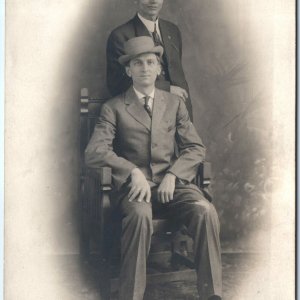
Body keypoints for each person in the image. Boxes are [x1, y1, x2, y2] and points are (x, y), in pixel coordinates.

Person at [86, 36, 222, 300]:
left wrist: (173, 174)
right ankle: (131, 295)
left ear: (159, 68)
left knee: (205, 210)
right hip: (135, 191)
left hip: (174, 186)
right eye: (138, 63)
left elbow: (195, 148)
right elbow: (95, 152)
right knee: (139, 216)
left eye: (151, 62)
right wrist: (132, 172)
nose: (145, 68)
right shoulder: (113, 108)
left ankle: (212, 294)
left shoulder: (175, 104)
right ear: (128, 71)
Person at [106, 0, 193, 120]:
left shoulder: (173, 30)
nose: (153, 1)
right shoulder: (120, 35)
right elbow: (117, 85)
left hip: (180, 112)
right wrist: (167, 89)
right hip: (144, 116)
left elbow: (177, 74)